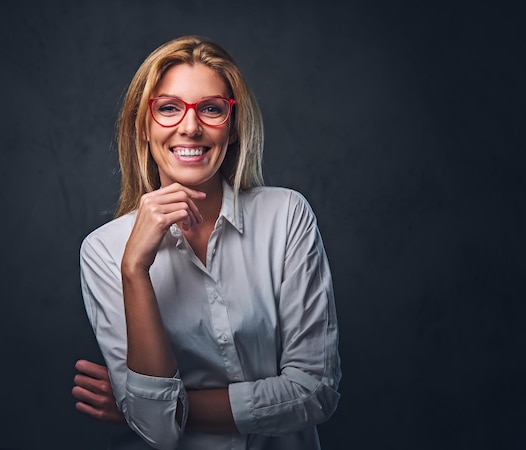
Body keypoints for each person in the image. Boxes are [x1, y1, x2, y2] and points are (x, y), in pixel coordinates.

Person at [71, 35, 341, 450]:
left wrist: (157, 407)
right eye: (168, 108)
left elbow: (314, 392)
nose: (191, 126)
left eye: (212, 109)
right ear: (142, 126)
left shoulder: (286, 216)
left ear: (232, 128)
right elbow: (157, 433)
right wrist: (134, 271)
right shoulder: (105, 251)